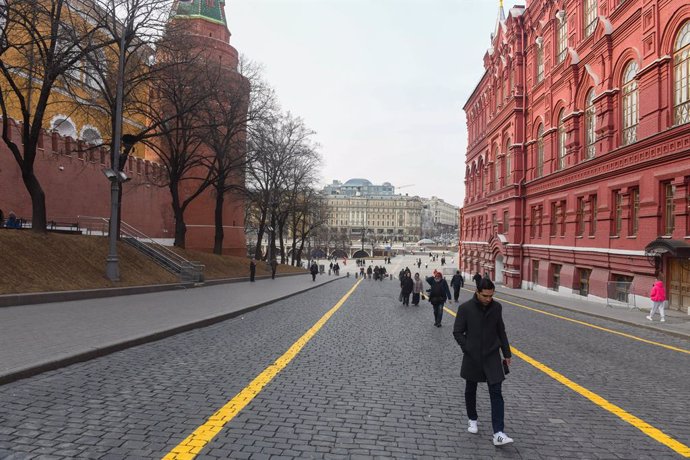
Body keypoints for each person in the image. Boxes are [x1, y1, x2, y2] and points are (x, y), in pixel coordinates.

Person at [453, 278, 513, 447]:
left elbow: (501, 330)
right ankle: (472, 419)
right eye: (485, 295)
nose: (489, 299)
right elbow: (457, 331)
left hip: (492, 355)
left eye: (491, 295)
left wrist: (507, 353)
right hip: (473, 356)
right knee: (470, 388)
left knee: (496, 392)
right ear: (477, 292)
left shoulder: (496, 307)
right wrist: (468, 348)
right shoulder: (465, 308)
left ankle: (499, 433)